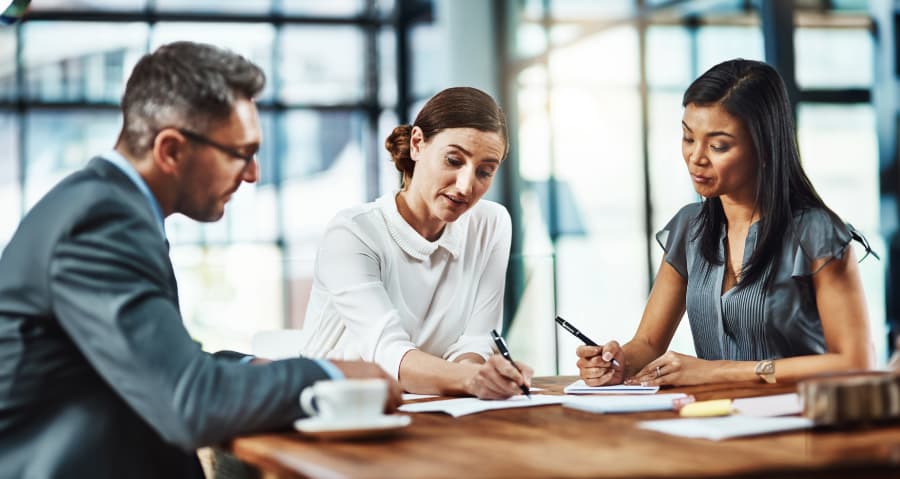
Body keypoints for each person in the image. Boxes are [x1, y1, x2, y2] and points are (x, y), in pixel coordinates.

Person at [0, 42, 400, 479]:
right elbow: (190, 401)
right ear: (171, 150)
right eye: (241, 154)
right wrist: (330, 375)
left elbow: (158, 365)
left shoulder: (103, 204)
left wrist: (258, 367)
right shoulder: (101, 222)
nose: (253, 174)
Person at [577, 59, 876, 387]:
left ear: (763, 147)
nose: (696, 157)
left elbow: (856, 362)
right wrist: (618, 362)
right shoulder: (688, 229)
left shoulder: (815, 233)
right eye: (688, 138)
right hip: (713, 422)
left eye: (718, 145)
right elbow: (647, 344)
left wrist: (715, 371)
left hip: (799, 425)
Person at [298, 87, 533, 399]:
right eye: (453, 160)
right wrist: (471, 378)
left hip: (428, 408)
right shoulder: (353, 233)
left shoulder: (491, 224)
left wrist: (483, 375)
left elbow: (476, 341)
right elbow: (387, 354)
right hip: (333, 412)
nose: (466, 186)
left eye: (484, 171)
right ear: (418, 144)